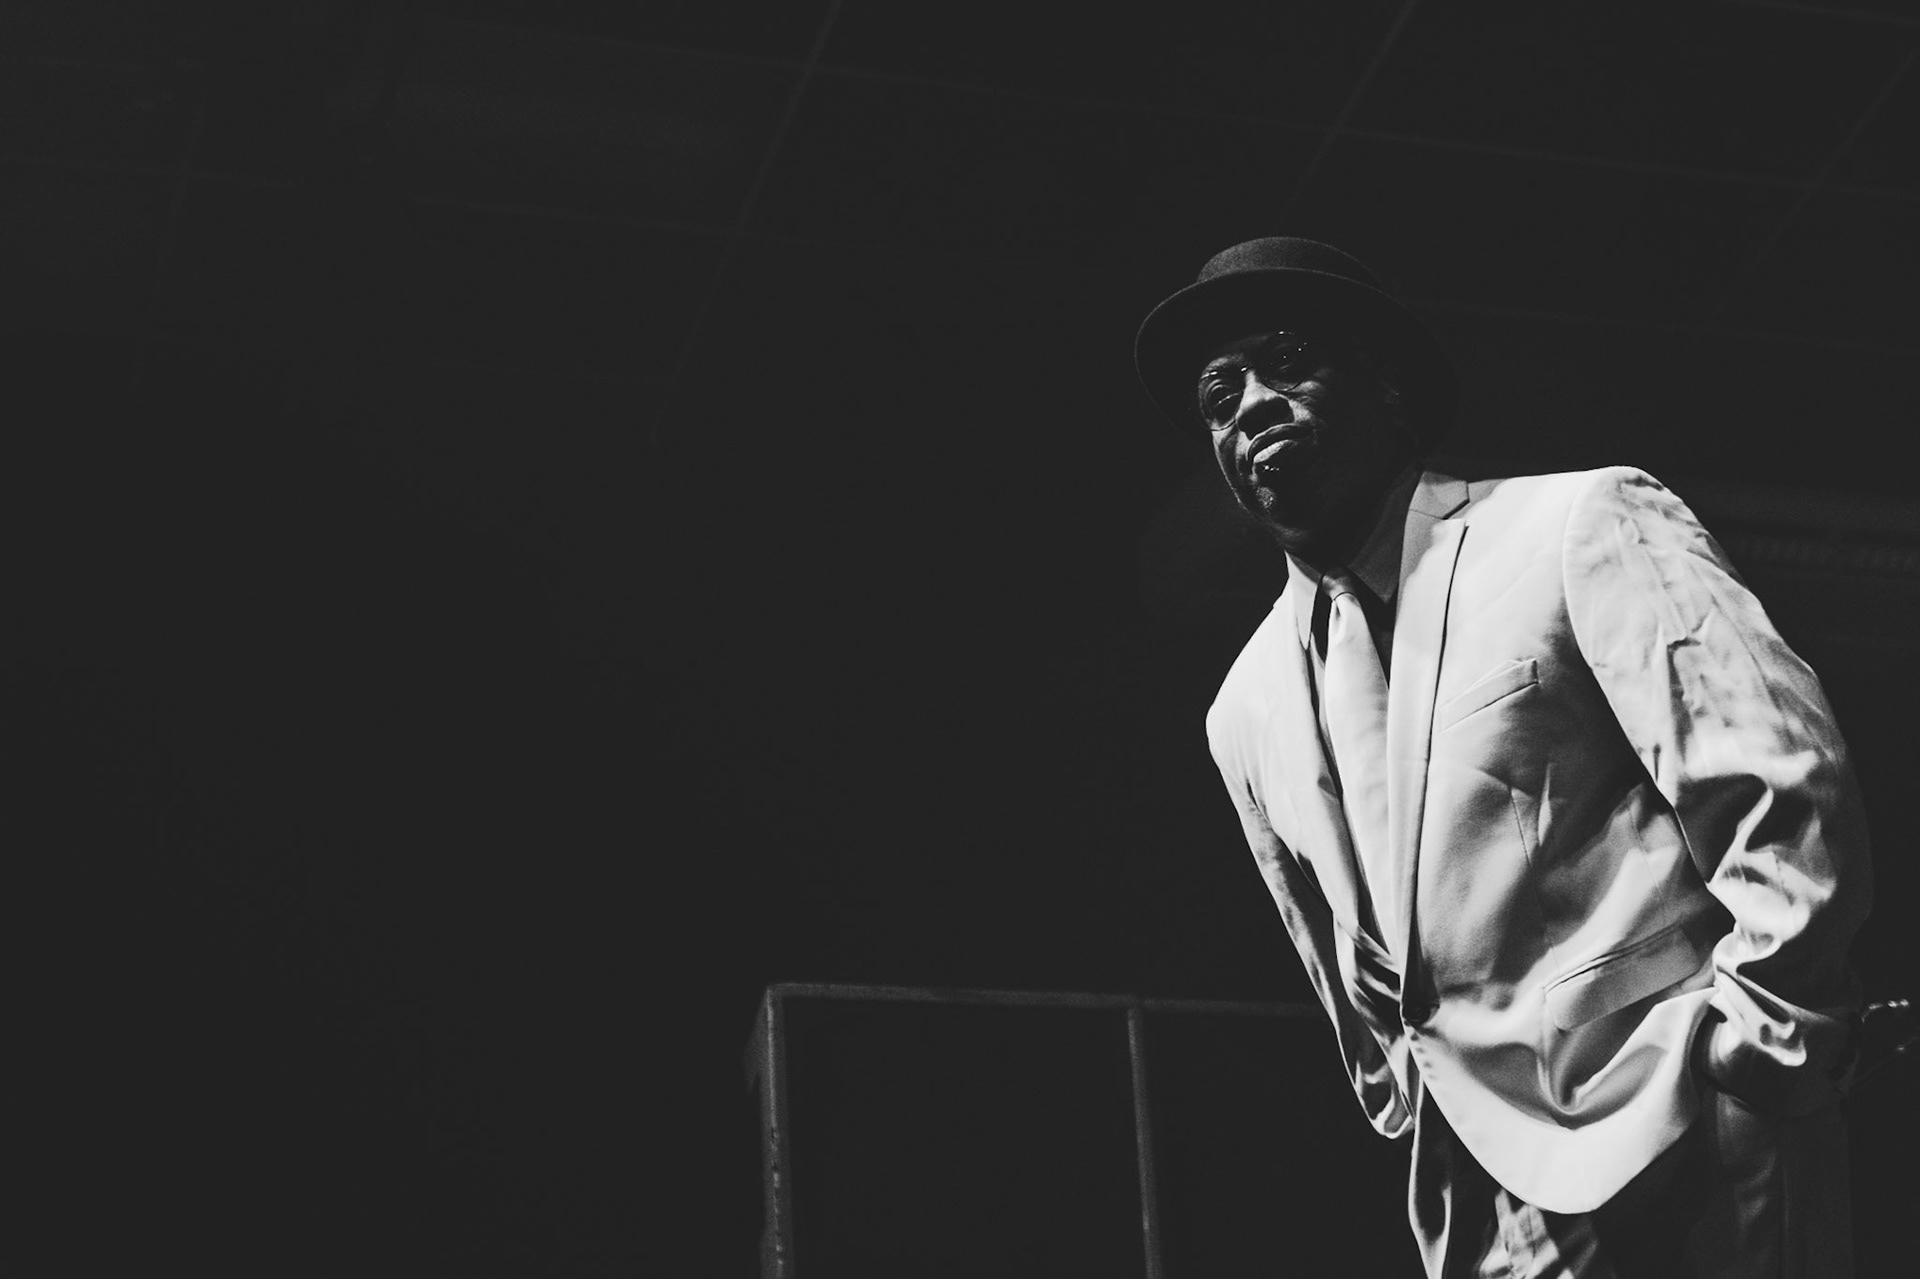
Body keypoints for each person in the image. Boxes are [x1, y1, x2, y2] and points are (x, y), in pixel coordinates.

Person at [1133, 237, 1873, 1277]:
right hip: (1483, 1212)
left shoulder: (1575, 521)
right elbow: (1349, 973)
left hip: (1691, 1123)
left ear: (1388, 385)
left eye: (1288, 360)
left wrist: (1759, 1055)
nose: (1251, 404)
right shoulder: (1243, 707)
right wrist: (1417, 1113)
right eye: (1220, 395)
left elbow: (1779, 785)